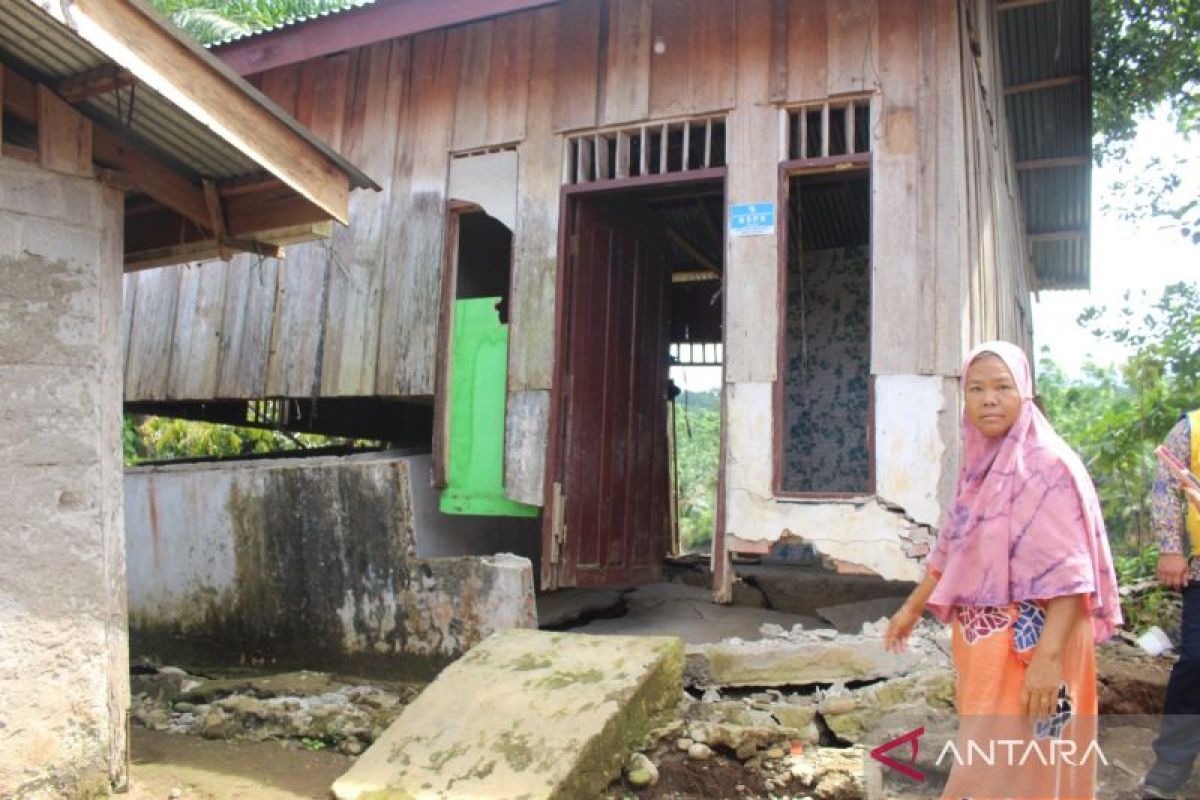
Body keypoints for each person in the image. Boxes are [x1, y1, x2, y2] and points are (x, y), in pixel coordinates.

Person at [884, 341, 1123, 799]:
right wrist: (912, 610)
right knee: (995, 761)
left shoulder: (1047, 465)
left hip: (1035, 651)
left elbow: (1072, 577)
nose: (988, 398)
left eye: (1001, 387)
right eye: (975, 388)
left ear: (1024, 393)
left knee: (1018, 769)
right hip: (988, 657)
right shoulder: (982, 465)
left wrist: (1046, 663)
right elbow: (954, 547)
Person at [1141, 409, 1200, 799]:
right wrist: (1170, 548)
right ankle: (1172, 765)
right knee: (1196, 663)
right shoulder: (1192, 428)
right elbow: (1166, 484)